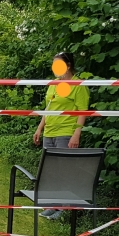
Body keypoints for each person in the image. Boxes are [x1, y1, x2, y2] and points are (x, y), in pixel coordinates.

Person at [32, 52, 90, 219]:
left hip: (66, 132)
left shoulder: (78, 85)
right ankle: (53, 206)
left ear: (68, 65)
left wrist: (76, 134)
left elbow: (83, 112)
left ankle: (64, 208)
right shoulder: (53, 84)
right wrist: (39, 128)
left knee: (64, 170)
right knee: (52, 171)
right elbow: (48, 108)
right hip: (49, 132)